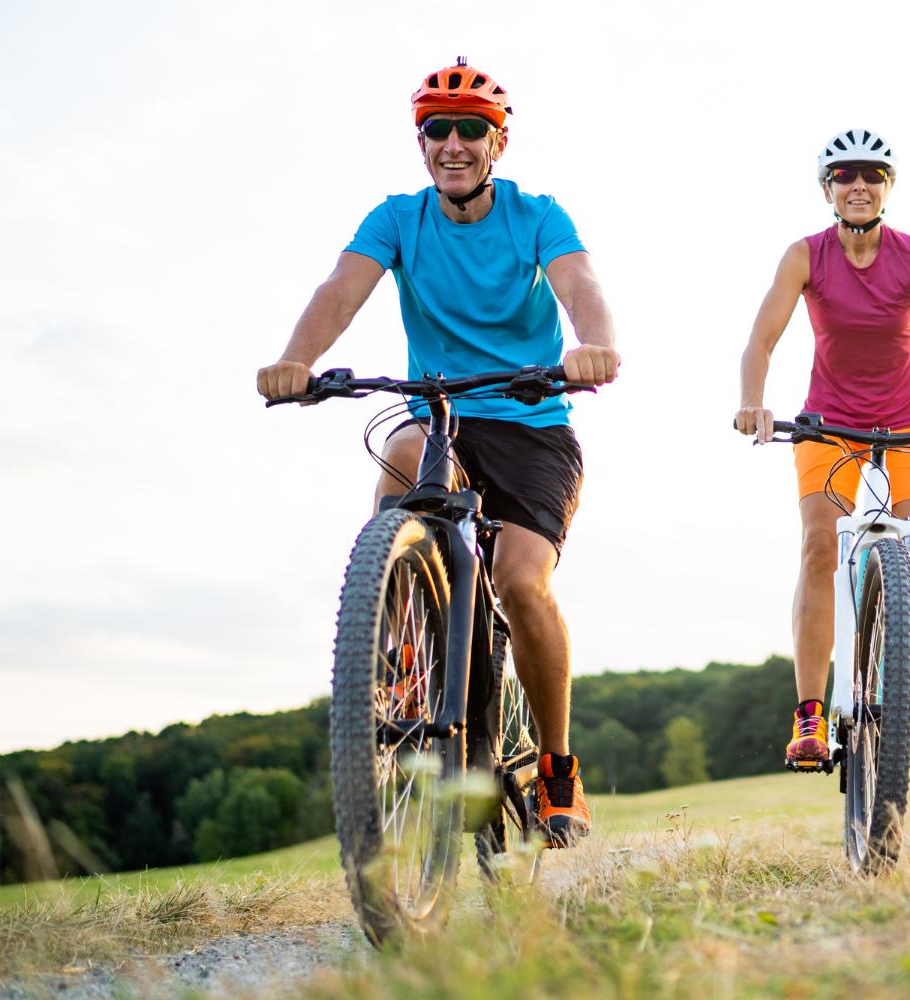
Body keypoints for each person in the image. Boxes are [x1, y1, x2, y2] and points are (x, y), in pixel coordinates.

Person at [256, 58, 619, 845]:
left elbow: (579, 281)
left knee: (523, 582)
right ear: (421, 143)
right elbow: (339, 292)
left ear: (498, 144)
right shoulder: (397, 218)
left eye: (471, 131)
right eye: (437, 131)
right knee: (401, 455)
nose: (453, 144)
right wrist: (296, 359)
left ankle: (557, 770)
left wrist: (595, 343)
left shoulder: (536, 214)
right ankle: (404, 630)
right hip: (443, 412)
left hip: (531, 420)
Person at [734, 129, 910, 769]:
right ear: (828, 189)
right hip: (827, 427)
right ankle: (810, 714)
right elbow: (762, 338)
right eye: (844, 175)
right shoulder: (804, 256)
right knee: (817, 546)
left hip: (908, 427)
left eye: (872, 174)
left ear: (888, 186)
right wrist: (754, 401)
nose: (858, 184)